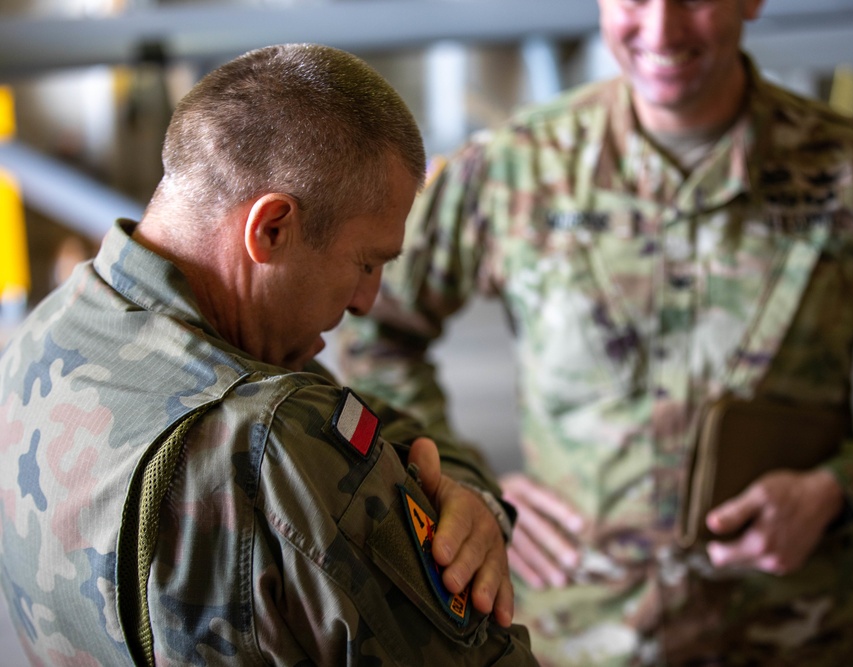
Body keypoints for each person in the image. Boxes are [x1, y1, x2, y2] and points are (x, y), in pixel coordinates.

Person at [335, 0, 853, 664]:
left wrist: (836, 490)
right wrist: (464, 482)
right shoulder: (517, 168)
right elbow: (374, 329)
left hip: (792, 630)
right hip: (574, 636)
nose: (663, 29)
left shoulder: (852, 178)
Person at [0, 43, 538, 666]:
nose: (368, 301)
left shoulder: (46, 335)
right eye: (366, 263)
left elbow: (367, 418)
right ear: (271, 228)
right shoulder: (271, 441)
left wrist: (464, 487)